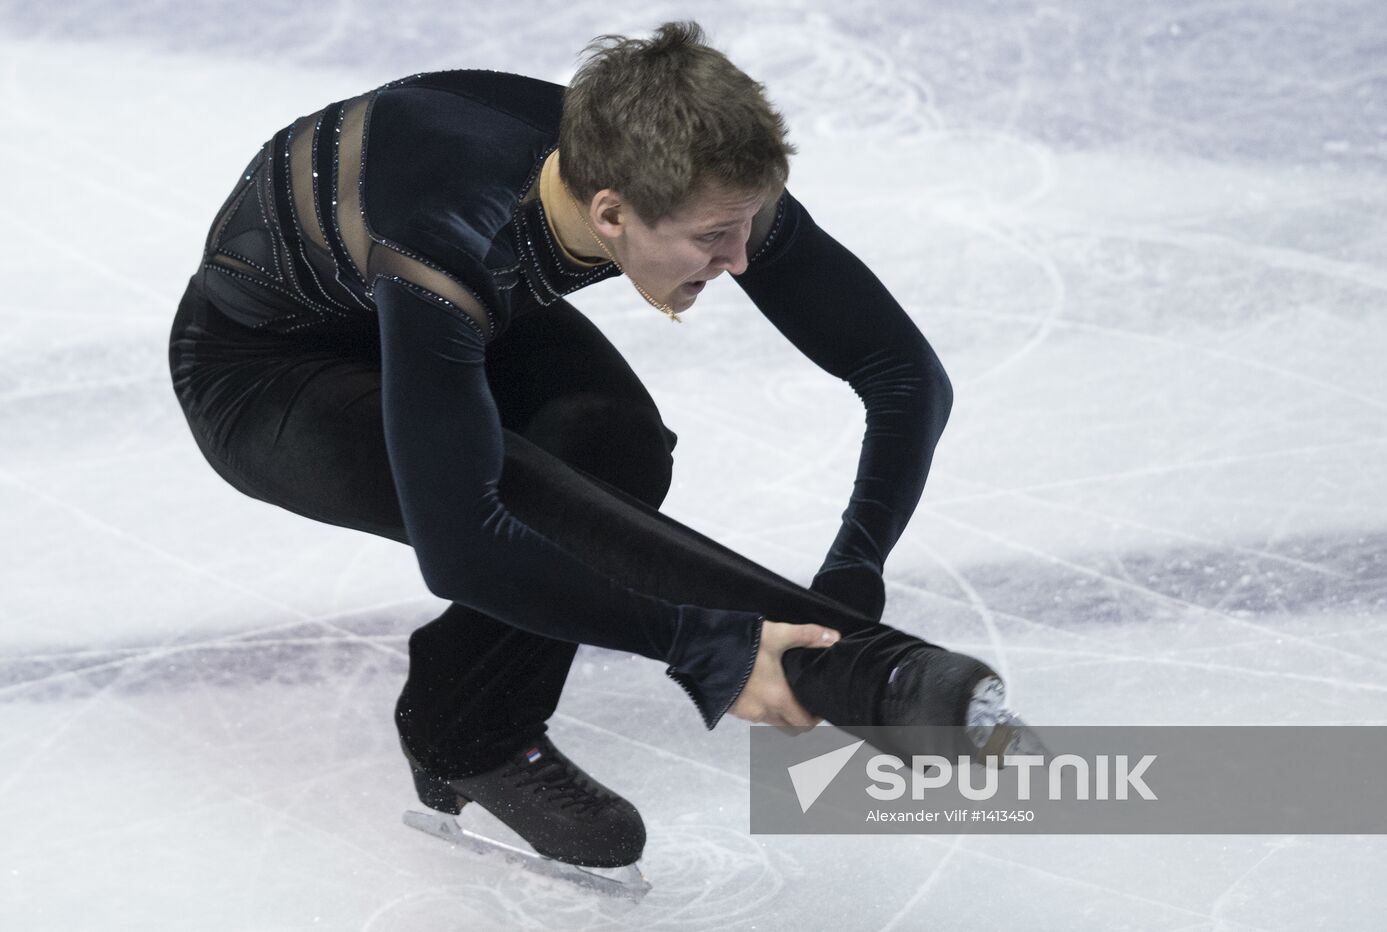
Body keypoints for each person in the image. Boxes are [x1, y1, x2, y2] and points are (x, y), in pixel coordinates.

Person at [167, 22, 1029, 873]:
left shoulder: (685, 171)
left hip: (436, 313)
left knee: (617, 448)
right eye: (708, 240)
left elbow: (904, 374)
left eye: (745, 225)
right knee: (520, 492)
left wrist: (853, 573)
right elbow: (462, 547)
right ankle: (479, 739)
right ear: (610, 212)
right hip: (266, 369)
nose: (737, 258)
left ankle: (460, 709)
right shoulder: (449, 237)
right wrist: (713, 648)